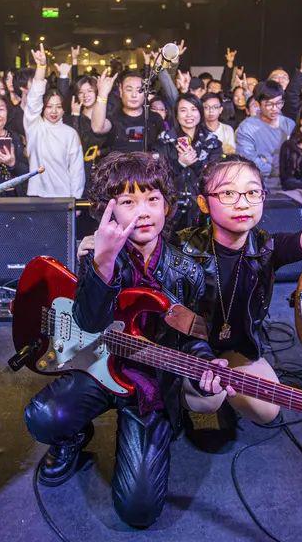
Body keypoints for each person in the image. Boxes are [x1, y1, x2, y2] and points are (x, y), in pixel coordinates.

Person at [24, 152, 210, 528]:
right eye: (128, 201)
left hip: (150, 385)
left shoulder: (188, 270)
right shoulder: (98, 255)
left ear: (167, 206)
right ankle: (73, 439)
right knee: (42, 417)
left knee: (138, 510)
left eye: (152, 199)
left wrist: (205, 363)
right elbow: (88, 321)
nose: (142, 211)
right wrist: (104, 263)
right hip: (98, 365)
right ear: (107, 211)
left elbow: (195, 337)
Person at [177, 142, 302, 422]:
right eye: (227, 193)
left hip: (236, 347)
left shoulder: (267, 247)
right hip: (187, 349)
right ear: (203, 203)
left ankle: (223, 386)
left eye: (252, 192)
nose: (242, 203)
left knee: (267, 411)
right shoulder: (181, 248)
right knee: (207, 400)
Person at [155, 93, 223, 229]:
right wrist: (179, 164)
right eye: (183, 110)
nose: (189, 115)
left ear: (200, 112)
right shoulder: (165, 140)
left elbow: (216, 176)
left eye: (193, 109)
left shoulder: (211, 141)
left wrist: (194, 163)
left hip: (202, 208)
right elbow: (158, 175)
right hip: (170, 206)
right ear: (176, 114)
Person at [25, 44, 84, 198]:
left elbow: (77, 171)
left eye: (58, 107)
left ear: (64, 109)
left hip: (64, 198)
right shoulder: (35, 127)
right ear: (43, 108)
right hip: (37, 196)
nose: (54, 111)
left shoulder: (70, 134)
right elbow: (33, 100)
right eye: (49, 106)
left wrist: (75, 201)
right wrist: (41, 67)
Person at [236, 81, 295, 190]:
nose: (275, 108)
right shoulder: (246, 128)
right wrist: (278, 170)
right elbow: (250, 162)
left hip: (290, 184)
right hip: (261, 186)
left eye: (279, 103)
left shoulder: (289, 124)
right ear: (257, 104)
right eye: (269, 104)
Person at [91, 70, 158, 154]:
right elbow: (97, 128)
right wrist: (102, 93)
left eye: (139, 90)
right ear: (121, 90)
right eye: (129, 90)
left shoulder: (155, 118)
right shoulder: (114, 118)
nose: (134, 95)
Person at [66, 72, 110, 183]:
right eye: (81, 92)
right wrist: (75, 116)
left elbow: (113, 144)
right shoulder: (74, 118)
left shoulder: (107, 116)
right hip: (81, 172)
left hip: (104, 171)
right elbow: (75, 146)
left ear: (96, 92)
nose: (85, 95)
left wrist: (100, 152)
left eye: (90, 91)